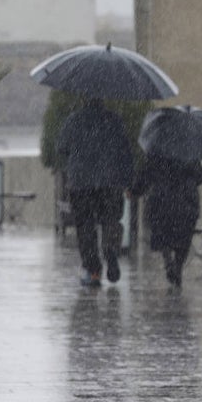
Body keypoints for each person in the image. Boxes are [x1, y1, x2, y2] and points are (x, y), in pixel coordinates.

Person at [56, 97, 134, 286]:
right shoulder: (114, 121)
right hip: (110, 182)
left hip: (81, 183)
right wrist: (127, 180)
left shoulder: (74, 120)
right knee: (110, 221)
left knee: (85, 227)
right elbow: (125, 152)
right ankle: (111, 252)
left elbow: (61, 147)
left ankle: (93, 270)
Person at [129, 154, 202, 289]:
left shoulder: (157, 152)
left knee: (163, 235)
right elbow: (200, 177)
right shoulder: (189, 153)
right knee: (184, 238)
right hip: (186, 201)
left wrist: (134, 191)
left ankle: (168, 261)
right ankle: (178, 266)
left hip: (162, 200)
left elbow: (145, 176)